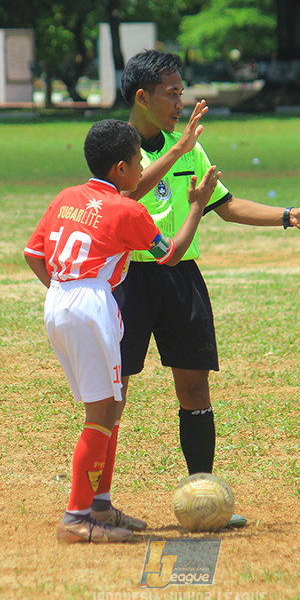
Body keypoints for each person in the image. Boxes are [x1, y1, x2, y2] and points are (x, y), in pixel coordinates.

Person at [111, 49, 300, 528]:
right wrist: (175, 151)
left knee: (195, 386)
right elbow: (122, 197)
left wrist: (287, 215)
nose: (181, 101)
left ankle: (204, 496)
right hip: (127, 278)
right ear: (142, 97)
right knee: (114, 391)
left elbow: (226, 204)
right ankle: (98, 502)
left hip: (181, 277)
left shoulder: (189, 148)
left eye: (181, 92)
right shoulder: (116, 145)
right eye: (171, 93)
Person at [24, 119, 219, 543]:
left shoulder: (67, 197)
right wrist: (196, 206)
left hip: (59, 298)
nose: (141, 168)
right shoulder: (127, 209)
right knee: (100, 416)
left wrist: (65, 291)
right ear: (120, 169)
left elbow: (33, 253)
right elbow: (171, 255)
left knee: (110, 408)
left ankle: (101, 506)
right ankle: (75, 519)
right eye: (137, 161)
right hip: (91, 305)